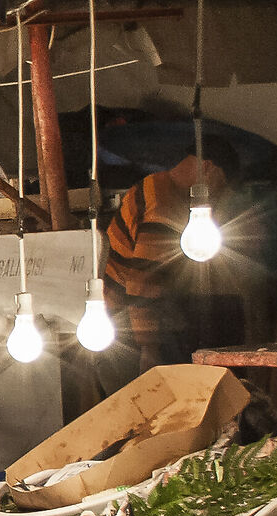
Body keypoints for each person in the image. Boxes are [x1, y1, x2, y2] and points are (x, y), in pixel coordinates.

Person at [104, 136, 243, 368]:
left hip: (120, 322)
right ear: (208, 168)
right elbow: (143, 281)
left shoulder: (156, 185)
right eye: (223, 183)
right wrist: (149, 349)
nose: (220, 194)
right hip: (124, 331)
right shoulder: (164, 205)